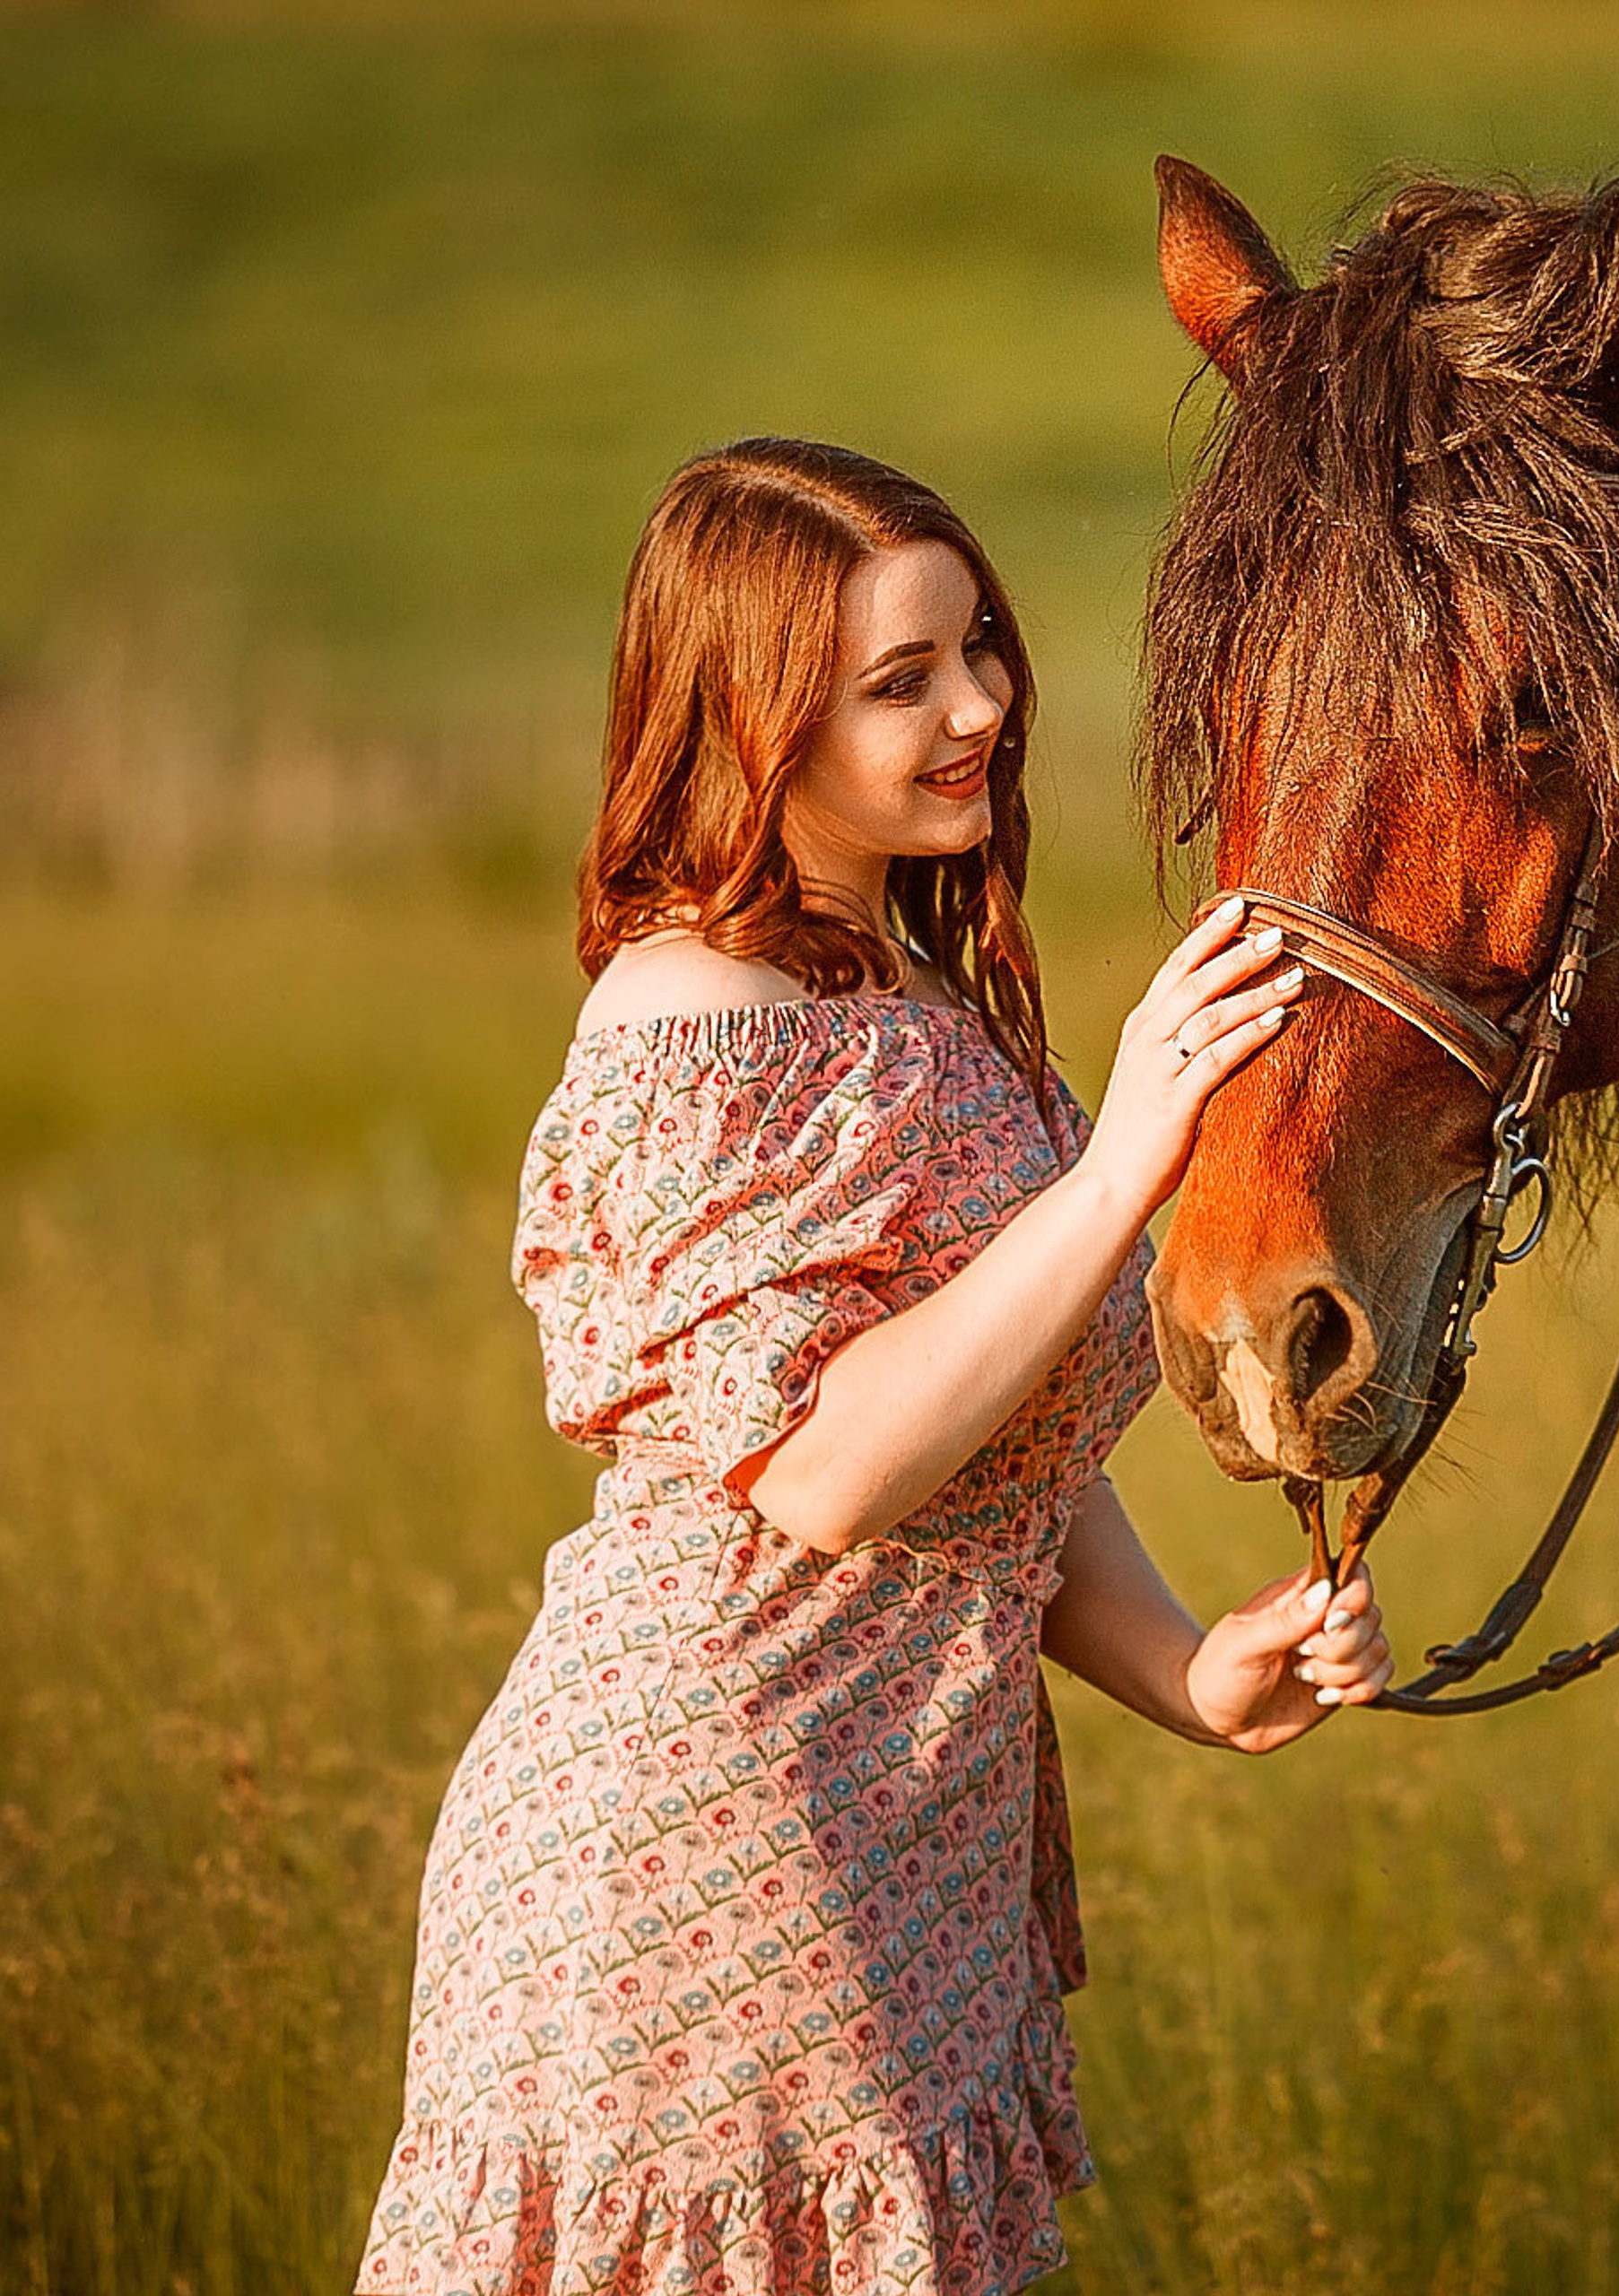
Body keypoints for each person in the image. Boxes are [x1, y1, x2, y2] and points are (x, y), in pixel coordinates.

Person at [356, 437, 1391, 2296]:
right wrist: (1120, 1163)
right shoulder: (693, 1016)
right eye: (900, 682)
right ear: (752, 721)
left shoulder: (923, 1002)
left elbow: (1002, 1449)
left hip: (906, 1861)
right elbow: (830, 1469)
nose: (979, 707)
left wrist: (1190, 1674)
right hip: (699, 1861)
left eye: (977, 647)